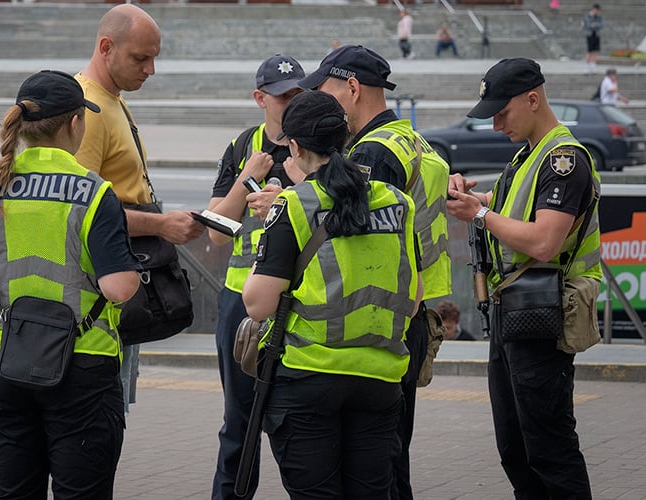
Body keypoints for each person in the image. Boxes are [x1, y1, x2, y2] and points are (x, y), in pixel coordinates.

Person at [0, 70, 143, 498]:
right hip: (82, 366)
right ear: (74, 124)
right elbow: (119, 289)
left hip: (0, 362)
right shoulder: (93, 192)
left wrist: (1, 293)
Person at [242, 90, 422, 498]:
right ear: (345, 139)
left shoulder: (292, 204)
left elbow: (257, 304)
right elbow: (413, 298)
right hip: (380, 379)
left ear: (294, 146)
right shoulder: (397, 201)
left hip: (309, 376)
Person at [299, 44, 452, 499]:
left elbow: (362, 238)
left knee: (379, 464)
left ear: (351, 87)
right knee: (390, 451)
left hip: (387, 318)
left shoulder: (373, 153)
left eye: (325, 90)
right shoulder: (411, 138)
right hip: (412, 307)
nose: (321, 102)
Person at [447, 57, 600, 499]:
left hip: (544, 315)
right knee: (515, 447)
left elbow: (544, 242)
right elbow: (509, 206)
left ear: (533, 99)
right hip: (513, 312)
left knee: (549, 448)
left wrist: (480, 213)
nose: (496, 125)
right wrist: (475, 199)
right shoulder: (527, 155)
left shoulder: (564, 160)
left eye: (502, 112)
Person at [75, 4, 205, 422]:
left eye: (155, 57)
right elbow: (81, 211)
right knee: (100, 425)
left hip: (117, 290)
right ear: (106, 47)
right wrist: (162, 225)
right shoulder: (89, 111)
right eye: (140, 58)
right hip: (101, 298)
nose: (150, 69)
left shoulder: (111, 99)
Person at [206, 53, 305, 500]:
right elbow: (216, 235)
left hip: (298, 298)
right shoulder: (243, 145)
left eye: (298, 93)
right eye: (283, 96)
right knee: (239, 421)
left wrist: (286, 200)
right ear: (260, 98)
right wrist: (248, 178)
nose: (292, 102)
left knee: (294, 420)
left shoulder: (315, 142)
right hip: (239, 301)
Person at [583, 4, 603, 74]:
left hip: (596, 35)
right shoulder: (588, 16)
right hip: (590, 35)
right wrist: (595, 25)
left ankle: (593, 67)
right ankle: (587, 67)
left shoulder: (599, 17)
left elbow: (601, 25)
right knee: (590, 51)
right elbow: (588, 25)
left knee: (595, 51)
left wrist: (595, 25)